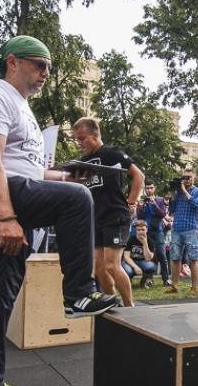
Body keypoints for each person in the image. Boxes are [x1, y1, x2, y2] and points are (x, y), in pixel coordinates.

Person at [0, 35, 116, 386]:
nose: (46, 73)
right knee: (79, 202)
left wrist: (63, 178)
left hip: (12, 197)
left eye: (49, 68)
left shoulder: (22, 107)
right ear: (13, 62)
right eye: (39, 64)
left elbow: (25, 169)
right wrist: (6, 217)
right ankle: (77, 294)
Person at [73, 116, 145, 307]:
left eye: (82, 138)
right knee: (98, 268)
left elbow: (138, 175)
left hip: (115, 215)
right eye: (77, 139)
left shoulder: (111, 153)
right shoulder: (83, 162)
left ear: (95, 134)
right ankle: (112, 304)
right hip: (96, 218)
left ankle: (131, 309)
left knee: (112, 265)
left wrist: (131, 202)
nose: (79, 143)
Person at [166, 167, 198, 296]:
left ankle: (194, 288)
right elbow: (171, 210)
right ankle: (174, 286)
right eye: (185, 177)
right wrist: (173, 195)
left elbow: (196, 205)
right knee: (175, 258)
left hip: (191, 229)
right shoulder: (178, 192)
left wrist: (183, 190)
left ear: (194, 178)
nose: (187, 180)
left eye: (189, 177)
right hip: (176, 229)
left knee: (193, 258)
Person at [136, 180, 171, 285]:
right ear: (145, 189)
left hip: (159, 231)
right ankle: (149, 279)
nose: (149, 190)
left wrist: (154, 204)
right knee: (148, 256)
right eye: (147, 188)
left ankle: (166, 279)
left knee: (161, 255)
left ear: (154, 188)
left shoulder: (159, 200)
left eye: (151, 187)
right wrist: (141, 207)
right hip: (147, 232)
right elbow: (139, 217)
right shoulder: (143, 200)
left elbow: (162, 214)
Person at [121, 220, 158, 288]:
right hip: (130, 262)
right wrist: (135, 267)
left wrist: (145, 243)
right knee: (128, 271)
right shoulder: (131, 239)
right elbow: (126, 256)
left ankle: (144, 281)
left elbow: (148, 258)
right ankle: (128, 283)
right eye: (138, 230)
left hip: (143, 261)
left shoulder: (150, 241)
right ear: (136, 230)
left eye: (143, 229)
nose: (141, 232)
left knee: (151, 266)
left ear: (146, 230)